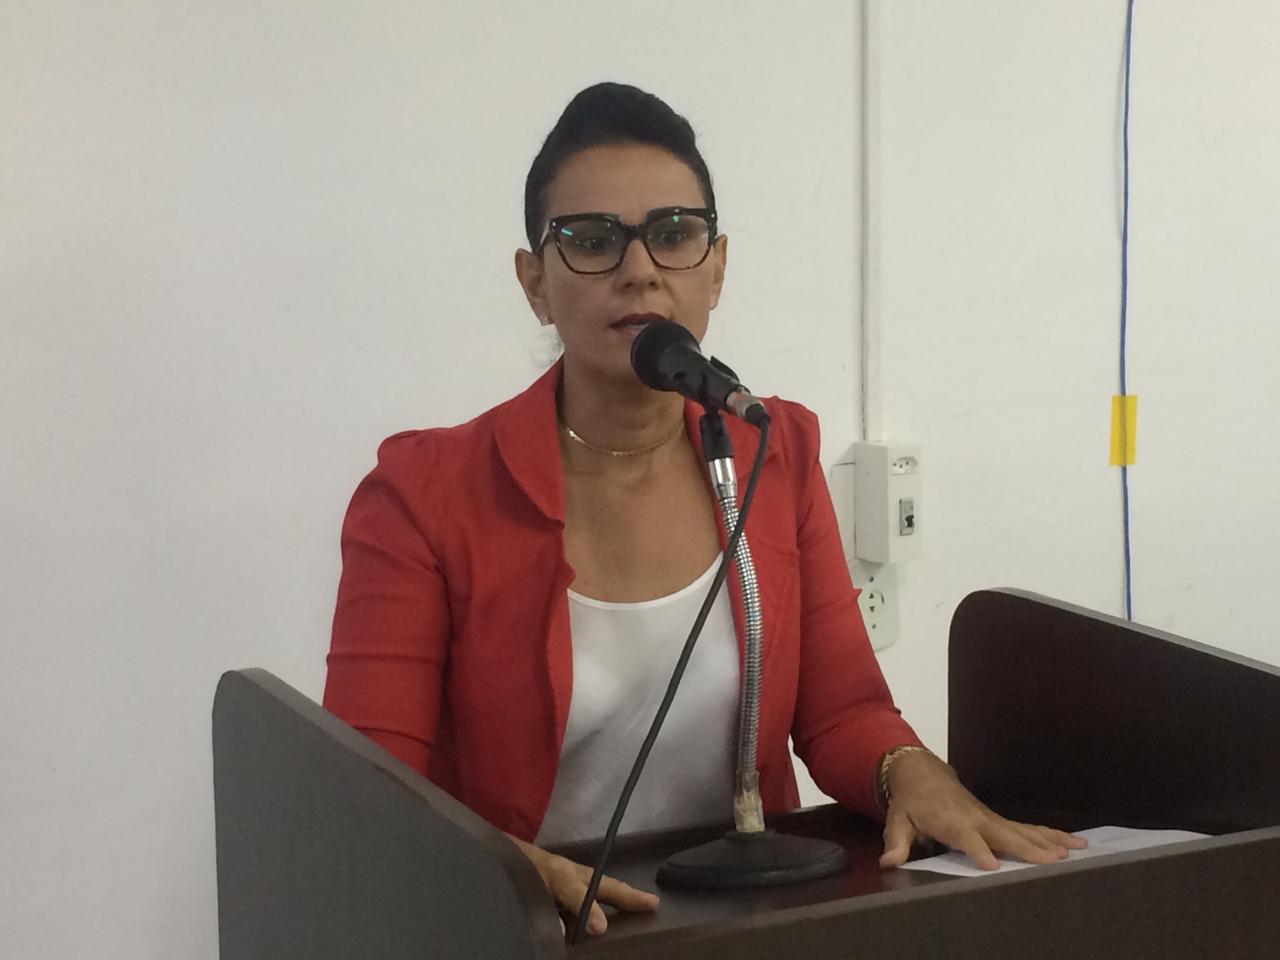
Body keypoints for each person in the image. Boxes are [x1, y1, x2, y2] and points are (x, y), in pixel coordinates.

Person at [323, 82, 1085, 937]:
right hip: (531, 931)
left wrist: (909, 770)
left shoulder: (770, 451)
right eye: (592, 241)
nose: (639, 269)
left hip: (742, 922)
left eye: (674, 234)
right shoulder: (423, 495)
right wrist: (499, 869)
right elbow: (368, 795)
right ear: (535, 283)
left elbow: (842, 712)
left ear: (716, 268)